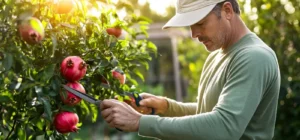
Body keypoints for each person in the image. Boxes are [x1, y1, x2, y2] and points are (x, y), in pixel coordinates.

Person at [100, 0, 281, 139]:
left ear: (227, 11)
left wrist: (139, 122)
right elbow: (208, 112)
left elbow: (225, 127)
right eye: (191, 26)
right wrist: (166, 107)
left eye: (200, 23)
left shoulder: (254, 57)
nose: (194, 34)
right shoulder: (218, 55)